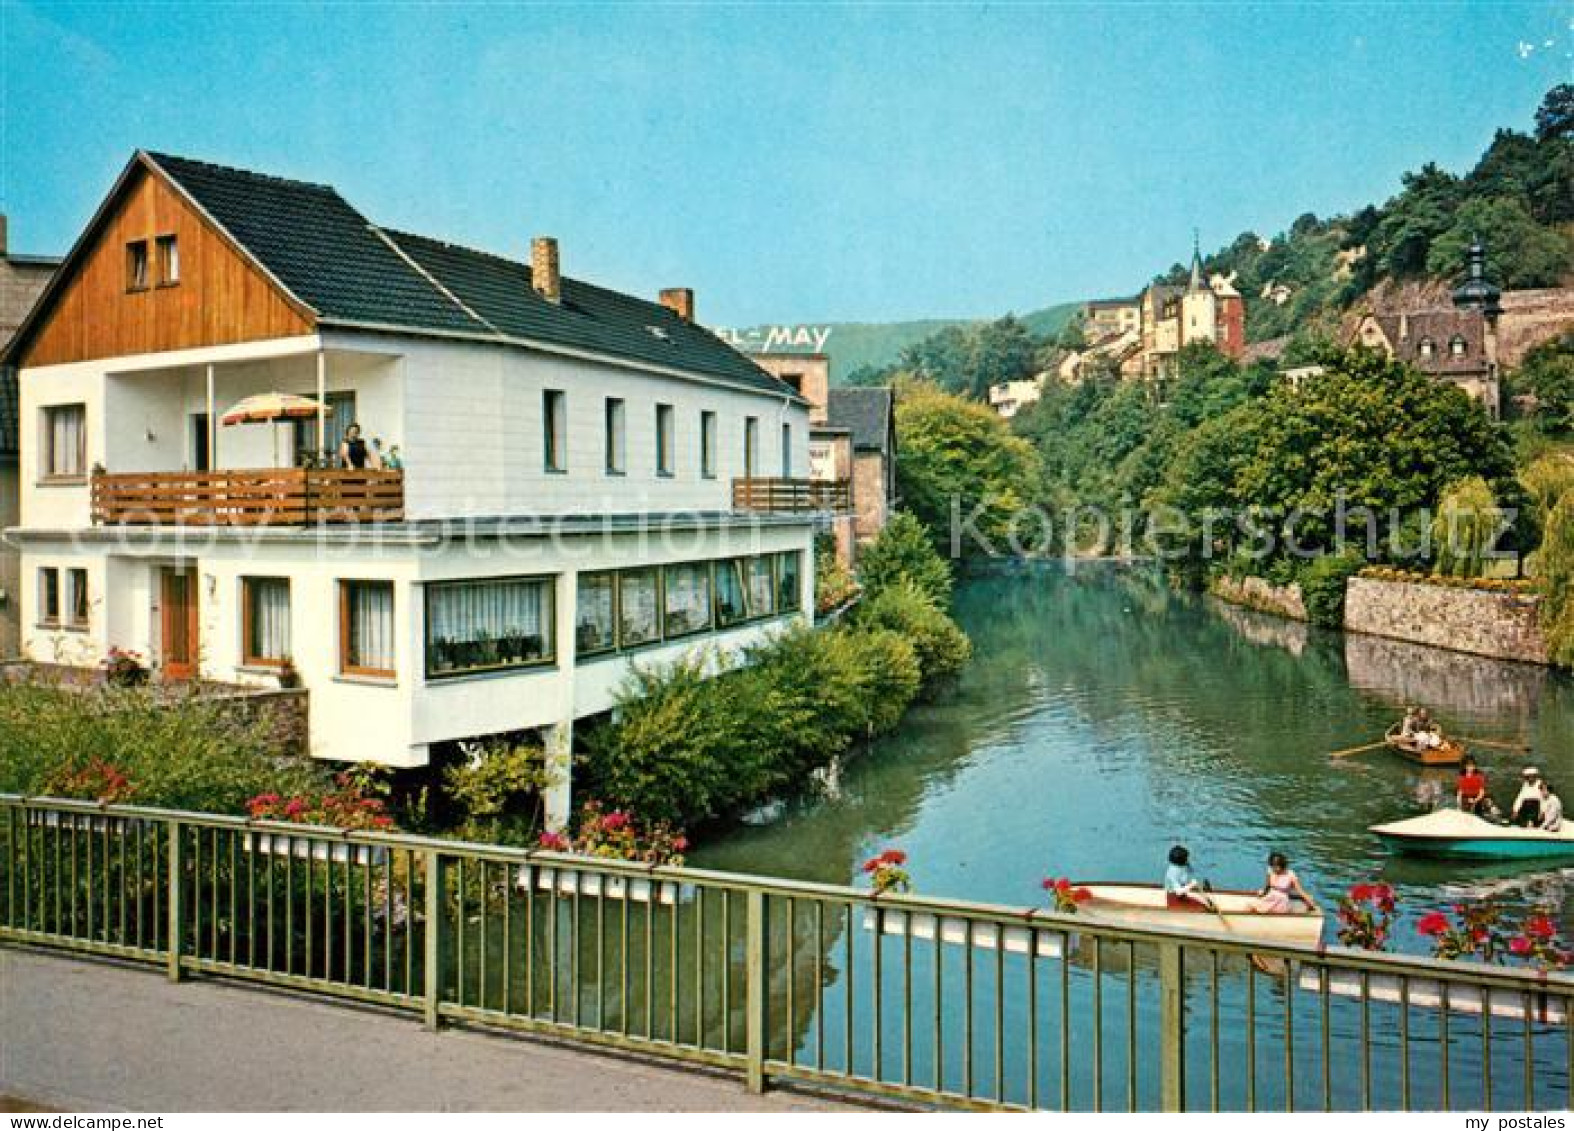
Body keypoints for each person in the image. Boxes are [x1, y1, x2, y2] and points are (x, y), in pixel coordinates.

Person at [1251, 852, 1319, 915]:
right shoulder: (1270, 870)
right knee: (1253, 906)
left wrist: (1310, 903)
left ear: (1282, 865)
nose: (1274, 868)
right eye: (1273, 865)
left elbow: (1300, 891)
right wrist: (1262, 893)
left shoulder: (1290, 874)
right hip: (1271, 896)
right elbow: (1267, 886)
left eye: (1277, 866)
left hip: (1282, 900)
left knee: (1269, 910)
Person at [1164, 845, 1211, 910]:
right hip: (1174, 899)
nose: (1187, 859)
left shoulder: (1183, 865)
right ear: (1182, 860)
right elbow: (1179, 892)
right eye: (1186, 858)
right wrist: (1192, 884)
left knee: (1203, 906)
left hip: (1183, 897)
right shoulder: (1173, 872)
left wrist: (1202, 882)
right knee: (1202, 909)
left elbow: (1193, 871)